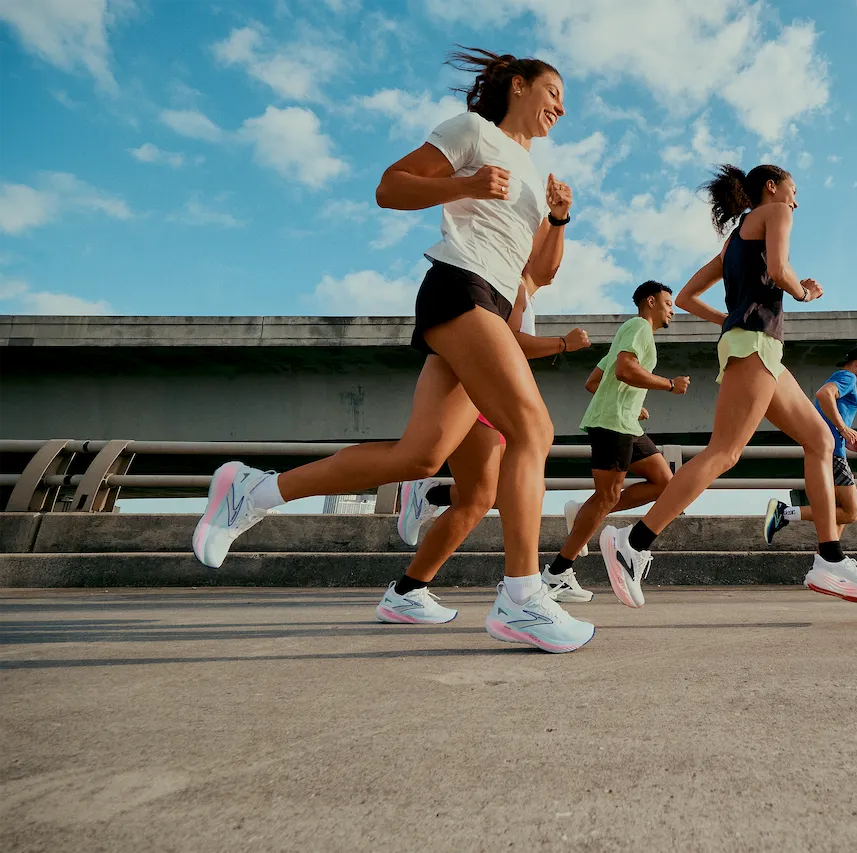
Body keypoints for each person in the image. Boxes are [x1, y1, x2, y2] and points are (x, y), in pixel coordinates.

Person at [191, 48, 597, 653]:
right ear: (518, 86)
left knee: (421, 455)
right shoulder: (472, 132)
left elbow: (538, 273)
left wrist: (559, 218)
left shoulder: (537, 175)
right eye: (553, 92)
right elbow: (389, 187)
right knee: (532, 429)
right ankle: (521, 596)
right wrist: (465, 183)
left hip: (492, 296)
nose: (561, 107)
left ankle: (255, 490)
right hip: (461, 285)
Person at [598, 164, 857, 607]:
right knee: (724, 452)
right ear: (771, 188)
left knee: (819, 440)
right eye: (793, 190)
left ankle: (829, 558)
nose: (795, 200)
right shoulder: (775, 214)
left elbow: (690, 296)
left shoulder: (734, 241)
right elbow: (779, 267)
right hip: (754, 346)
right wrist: (804, 292)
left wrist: (730, 320)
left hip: (757, 347)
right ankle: (633, 543)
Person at [379, 276, 592, 622]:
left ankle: (411, 578)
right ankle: (521, 594)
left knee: (487, 496)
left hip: (491, 397)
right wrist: (562, 344)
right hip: (479, 397)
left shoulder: (519, 288)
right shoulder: (508, 280)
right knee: (482, 496)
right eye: (550, 228)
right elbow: (503, 343)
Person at [542, 281, 688, 602]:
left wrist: (633, 403)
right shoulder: (639, 327)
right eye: (668, 303)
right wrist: (668, 384)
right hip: (613, 425)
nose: (672, 310)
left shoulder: (626, 335)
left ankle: (584, 510)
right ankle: (557, 573)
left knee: (666, 482)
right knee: (607, 497)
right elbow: (624, 370)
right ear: (650, 301)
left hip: (625, 422)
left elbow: (595, 381)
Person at [763, 347, 857, 587]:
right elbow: (824, 395)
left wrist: (847, 440)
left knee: (839, 512)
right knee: (849, 512)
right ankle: (784, 514)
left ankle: (826, 568)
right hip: (832, 454)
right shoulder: (847, 377)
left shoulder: (843, 379)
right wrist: (843, 429)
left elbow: (825, 411)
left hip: (835, 451)